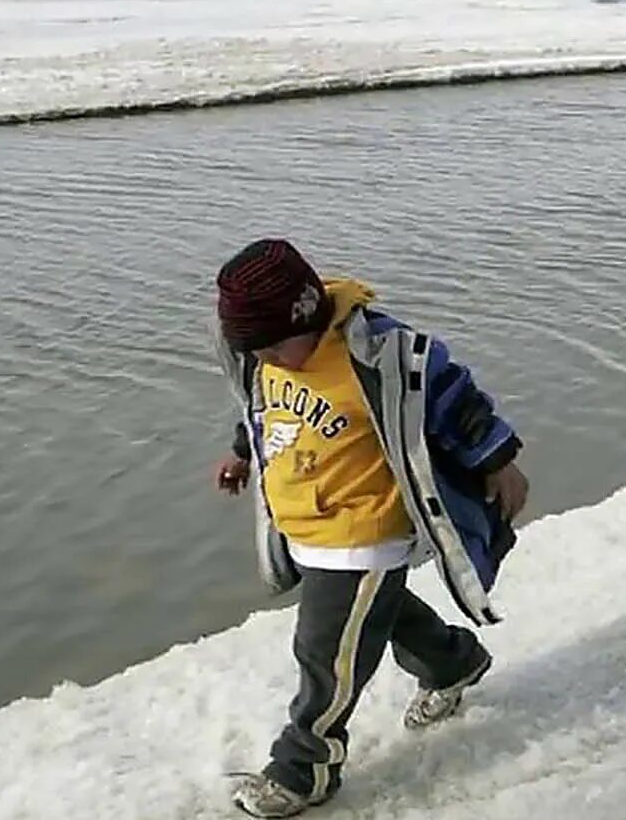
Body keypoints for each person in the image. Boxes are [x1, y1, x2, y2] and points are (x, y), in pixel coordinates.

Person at [209, 238, 529, 818]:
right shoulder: (268, 356)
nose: (271, 359)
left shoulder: (379, 352)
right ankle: (452, 662)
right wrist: (242, 452)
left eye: (277, 345)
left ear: (306, 313)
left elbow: (453, 399)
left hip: (364, 530)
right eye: (258, 350)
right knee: (376, 612)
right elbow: (262, 407)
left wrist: (498, 460)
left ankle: (304, 769)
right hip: (305, 523)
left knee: (325, 653)